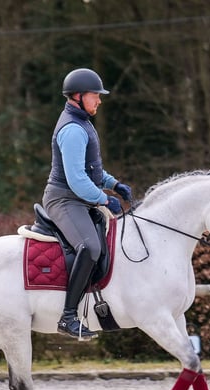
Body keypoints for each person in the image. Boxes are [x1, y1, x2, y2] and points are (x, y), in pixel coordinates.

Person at [42, 68, 133, 340]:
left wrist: (114, 184)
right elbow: (76, 179)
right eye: (96, 96)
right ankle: (68, 316)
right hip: (63, 199)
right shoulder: (72, 129)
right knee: (90, 246)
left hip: (79, 198)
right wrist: (105, 199)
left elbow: (92, 171)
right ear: (79, 96)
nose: (99, 101)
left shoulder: (83, 123)